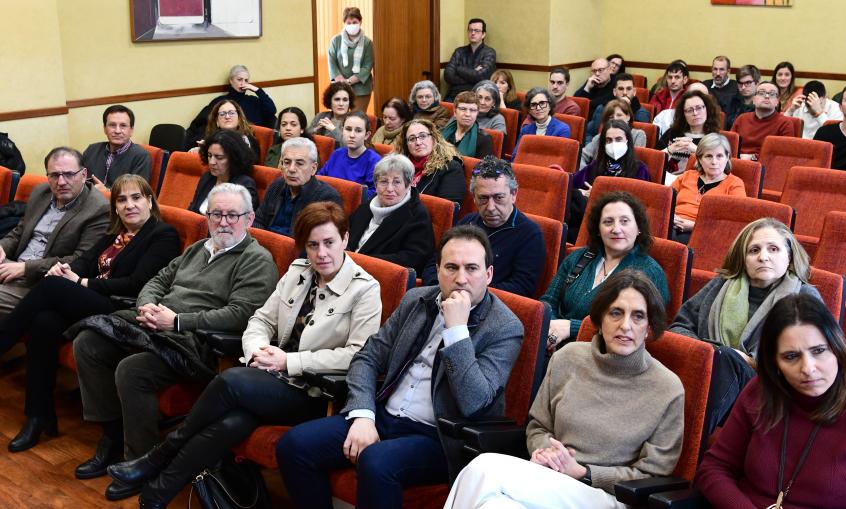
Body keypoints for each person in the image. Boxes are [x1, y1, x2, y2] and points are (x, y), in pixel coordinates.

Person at [107, 202, 383, 508]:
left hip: (316, 392)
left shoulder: (365, 290)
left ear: (345, 239)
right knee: (232, 423)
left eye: (329, 243)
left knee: (231, 382)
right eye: (312, 245)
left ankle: (160, 455)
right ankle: (157, 492)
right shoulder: (298, 272)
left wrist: (288, 361)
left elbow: (357, 356)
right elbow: (260, 320)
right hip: (267, 376)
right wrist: (256, 351)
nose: (321, 254)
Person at [275, 225, 524, 509]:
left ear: (489, 274)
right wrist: (364, 415)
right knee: (293, 446)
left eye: (472, 269)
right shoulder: (417, 300)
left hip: (441, 437)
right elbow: (368, 357)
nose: (461, 279)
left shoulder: (504, 327)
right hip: (384, 415)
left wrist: (457, 331)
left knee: (377, 461)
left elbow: (474, 402)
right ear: (438, 270)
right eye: (451, 267)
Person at [70, 183, 278, 501]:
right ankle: (111, 435)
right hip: (156, 328)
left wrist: (177, 321)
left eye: (232, 215)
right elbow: (158, 280)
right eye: (216, 214)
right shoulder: (198, 248)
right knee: (89, 343)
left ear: (249, 219)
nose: (223, 222)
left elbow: (241, 315)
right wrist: (148, 306)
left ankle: (139, 461)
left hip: (196, 345)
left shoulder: (256, 260)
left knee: (132, 370)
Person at [445, 270, 685, 509]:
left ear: (649, 328)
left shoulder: (667, 388)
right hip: (551, 478)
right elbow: (538, 426)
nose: (625, 326)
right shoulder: (567, 358)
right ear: (600, 321)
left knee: (483, 468)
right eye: (616, 313)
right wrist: (546, 452)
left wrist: (585, 472)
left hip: (608, 497)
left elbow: (652, 473)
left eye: (638, 317)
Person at [0, 175, 179, 453]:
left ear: (149, 201)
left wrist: (81, 282)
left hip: (123, 308)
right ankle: (38, 416)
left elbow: (138, 283)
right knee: (43, 321)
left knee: (50, 287)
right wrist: (65, 270)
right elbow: (83, 261)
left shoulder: (162, 235)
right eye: (121, 199)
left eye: (136, 198)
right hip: (94, 300)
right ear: (115, 207)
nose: (129, 205)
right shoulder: (115, 234)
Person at [696, 294, 846, 509]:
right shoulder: (758, 393)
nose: (808, 368)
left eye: (819, 351)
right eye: (791, 356)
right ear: (775, 363)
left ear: (838, 350)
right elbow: (714, 469)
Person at [670, 217, 822, 435]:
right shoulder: (721, 284)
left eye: (773, 249)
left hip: (767, 390)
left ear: (789, 257)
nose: (763, 257)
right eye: (754, 250)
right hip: (704, 374)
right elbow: (679, 326)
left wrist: (748, 361)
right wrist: (708, 352)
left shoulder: (805, 297)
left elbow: (814, 358)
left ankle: (685, 448)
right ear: (743, 258)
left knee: (726, 361)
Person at [542, 192, 670, 353]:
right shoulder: (578, 257)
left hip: (605, 354)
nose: (616, 229)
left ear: (638, 228)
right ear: (598, 229)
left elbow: (645, 329)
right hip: (553, 344)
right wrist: (552, 329)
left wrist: (572, 328)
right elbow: (548, 300)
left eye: (624, 221)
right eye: (608, 222)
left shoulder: (649, 273)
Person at [0, 147, 109, 320]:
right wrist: (2, 247)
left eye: (69, 174)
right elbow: (20, 231)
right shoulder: (40, 192)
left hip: (41, 282)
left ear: (83, 174)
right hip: (11, 265)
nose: (61, 182)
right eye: (54, 175)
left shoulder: (98, 209)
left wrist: (25, 268)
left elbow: (79, 260)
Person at [453, 157, 546, 298]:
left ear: (513, 194)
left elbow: (521, 288)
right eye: (483, 198)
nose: (490, 207)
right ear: (474, 198)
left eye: (498, 198)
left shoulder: (530, 235)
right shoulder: (467, 223)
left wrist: (466, 290)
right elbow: (435, 262)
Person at [347, 154, 434, 275]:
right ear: (376, 185)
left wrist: (363, 261)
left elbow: (414, 259)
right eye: (383, 181)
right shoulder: (366, 207)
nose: (389, 189)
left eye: (396, 182)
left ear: (408, 185)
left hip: (379, 276)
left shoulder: (417, 215)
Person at [254, 137, 343, 236]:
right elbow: (258, 221)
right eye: (287, 162)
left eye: (299, 164)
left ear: (313, 168)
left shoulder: (327, 198)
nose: (291, 169)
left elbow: (320, 241)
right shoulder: (277, 185)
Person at [671, 133, 746, 243]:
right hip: (673, 225)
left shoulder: (735, 184)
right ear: (700, 159)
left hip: (705, 233)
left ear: (727, 158)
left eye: (719, 156)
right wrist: (671, 218)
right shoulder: (686, 176)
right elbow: (665, 202)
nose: (714, 162)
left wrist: (693, 226)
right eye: (708, 156)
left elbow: (733, 222)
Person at [574, 119, 651, 225]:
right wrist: (581, 192)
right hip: (590, 217)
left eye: (618, 139)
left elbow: (638, 203)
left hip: (622, 221)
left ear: (627, 141)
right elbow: (572, 182)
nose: (613, 144)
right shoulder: (597, 165)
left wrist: (598, 194)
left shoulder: (640, 169)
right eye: (609, 140)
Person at [395, 119, 466, 205]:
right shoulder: (399, 166)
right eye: (412, 138)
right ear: (405, 144)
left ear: (434, 138)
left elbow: (448, 210)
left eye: (423, 136)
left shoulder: (451, 167)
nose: (418, 142)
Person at [656, 89, 722, 182]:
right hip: (666, 182)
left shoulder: (714, 139)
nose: (695, 113)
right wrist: (669, 150)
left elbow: (718, 169)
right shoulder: (673, 133)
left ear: (707, 109)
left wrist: (696, 150)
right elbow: (654, 159)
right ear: (683, 114)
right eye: (689, 110)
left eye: (699, 108)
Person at [187, 129, 258, 214]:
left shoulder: (245, 185)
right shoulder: (207, 178)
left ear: (233, 159)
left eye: (219, 157)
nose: (212, 162)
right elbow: (192, 210)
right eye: (210, 156)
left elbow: (238, 221)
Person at [82, 105, 151, 191]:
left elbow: (137, 192)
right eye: (112, 125)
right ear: (105, 129)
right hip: (89, 201)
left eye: (123, 125)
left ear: (131, 130)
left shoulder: (141, 156)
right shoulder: (92, 150)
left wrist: (107, 192)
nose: (117, 131)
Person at [318, 111, 382, 198]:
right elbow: (319, 179)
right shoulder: (337, 154)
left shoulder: (374, 161)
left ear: (366, 135)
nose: (352, 135)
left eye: (358, 131)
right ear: (342, 130)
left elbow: (375, 194)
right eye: (348, 129)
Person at [732, 81, 797, 160]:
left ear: (777, 101)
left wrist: (753, 157)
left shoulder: (785, 123)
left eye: (772, 94)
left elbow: (783, 155)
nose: (766, 96)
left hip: (767, 167)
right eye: (762, 93)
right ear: (754, 99)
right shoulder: (742, 118)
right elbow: (730, 144)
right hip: (736, 162)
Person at [327, 7, 374, 112]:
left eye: (354, 22)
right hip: (339, 87)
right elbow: (332, 62)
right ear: (344, 23)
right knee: (339, 118)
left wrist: (348, 81)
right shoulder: (336, 40)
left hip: (361, 89)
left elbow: (367, 67)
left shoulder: (367, 43)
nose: (351, 25)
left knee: (357, 119)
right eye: (348, 23)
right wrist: (341, 81)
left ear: (360, 22)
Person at [582, 98, 648, 166]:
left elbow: (634, 162)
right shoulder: (599, 137)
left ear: (628, 117)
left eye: (619, 115)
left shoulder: (638, 135)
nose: (615, 119)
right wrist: (586, 172)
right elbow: (582, 155)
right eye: (611, 117)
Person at [443, 18, 497, 101]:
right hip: (454, 95)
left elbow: (480, 76)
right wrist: (472, 74)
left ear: (483, 34)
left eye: (477, 30)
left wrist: (458, 69)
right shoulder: (459, 51)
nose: (473, 33)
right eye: (470, 30)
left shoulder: (489, 52)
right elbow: (448, 76)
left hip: (477, 97)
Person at [511, 87, 571, 160]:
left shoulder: (562, 129)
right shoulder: (525, 130)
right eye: (533, 105)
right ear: (529, 110)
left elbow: (559, 160)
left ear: (550, 106)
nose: (538, 108)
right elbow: (515, 157)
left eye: (542, 103)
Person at [207, 65, 276, 127]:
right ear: (231, 81)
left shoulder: (253, 100)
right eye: (239, 80)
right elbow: (204, 122)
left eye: (246, 80)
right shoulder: (220, 101)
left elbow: (272, 111)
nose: (243, 83)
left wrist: (257, 90)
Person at [189, 99, 261, 158]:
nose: (227, 117)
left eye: (231, 113)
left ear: (239, 118)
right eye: (222, 114)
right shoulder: (212, 138)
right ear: (217, 121)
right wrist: (203, 150)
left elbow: (249, 162)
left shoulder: (248, 139)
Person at [441, 91, 493, 159]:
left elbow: (482, 168)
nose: (467, 114)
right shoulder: (441, 133)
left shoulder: (484, 139)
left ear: (477, 113)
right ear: (455, 112)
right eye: (463, 109)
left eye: (472, 110)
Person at [308, 82, 355, 147]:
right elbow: (305, 137)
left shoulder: (354, 120)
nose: (341, 104)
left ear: (349, 102)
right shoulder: (321, 116)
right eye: (337, 99)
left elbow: (349, 146)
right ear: (330, 102)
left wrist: (333, 129)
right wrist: (315, 130)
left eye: (345, 100)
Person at [724, 65, 761, 129]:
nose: (743, 87)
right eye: (740, 83)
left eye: (748, 83)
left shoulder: (762, 104)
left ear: (757, 83)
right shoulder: (731, 100)